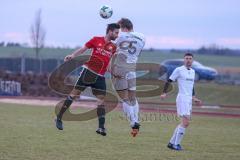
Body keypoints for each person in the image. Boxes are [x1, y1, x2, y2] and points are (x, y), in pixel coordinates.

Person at [55, 23, 120, 136]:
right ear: (110, 31)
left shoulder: (113, 48)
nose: (117, 35)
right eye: (116, 32)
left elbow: (109, 65)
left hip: (100, 77)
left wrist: (114, 73)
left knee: (101, 101)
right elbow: (83, 49)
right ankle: (59, 118)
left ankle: (101, 128)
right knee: (74, 95)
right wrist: (72, 55)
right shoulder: (96, 40)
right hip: (88, 72)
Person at [160, 53, 202, 150]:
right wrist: (164, 92)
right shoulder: (179, 70)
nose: (188, 60)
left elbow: (191, 86)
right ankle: (176, 144)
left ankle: (171, 143)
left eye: (190, 58)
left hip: (188, 99)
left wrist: (194, 97)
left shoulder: (193, 71)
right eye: (186, 58)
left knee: (184, 123)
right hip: (182, 98)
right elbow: (169, 81)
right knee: (186, 122)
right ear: (184, 60)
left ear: (192, 60)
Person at [111, 18, 145, 137]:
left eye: (119, 28)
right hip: (132, 68)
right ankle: (136, 120)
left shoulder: (121, 36)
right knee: (132, 98)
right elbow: (136, 53)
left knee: (124, 98)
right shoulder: (142, 37)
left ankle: (133, 122)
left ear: (123, 27)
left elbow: (111, 49)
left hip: (120, 67)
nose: (118, 31)